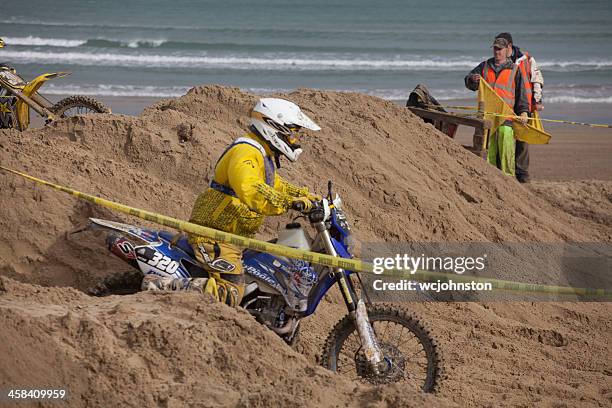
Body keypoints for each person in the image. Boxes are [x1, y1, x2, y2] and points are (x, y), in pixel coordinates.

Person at [141, 98, 321, 307]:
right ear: (273, 126)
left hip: (234, 237)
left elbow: (276, 185)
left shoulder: (262, 154)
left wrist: (310, 197)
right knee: (231, 292)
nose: (294, 139)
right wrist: (291, 203)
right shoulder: (246, 151)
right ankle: (159, 286)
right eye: (291, 133)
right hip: (214, 236)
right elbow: (251, 188)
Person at [465, 36, 530, 177]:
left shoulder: (514, 69)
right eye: (495, 48)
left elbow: (522, 95)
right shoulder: (484, 66)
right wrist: (472, 79)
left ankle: (508, 178)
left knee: (505, 140)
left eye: (500, 49)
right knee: (489, 151)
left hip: (506, 117)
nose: (497, 52)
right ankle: (491, 178)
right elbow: (469, 81)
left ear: (507, 50)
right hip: (487, 117)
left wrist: (524, 112)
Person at [495, 32, 544, 183]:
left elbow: (537, 80)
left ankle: (522, 173)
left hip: (524, 103)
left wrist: (536, 101)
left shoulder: (526, 59)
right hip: (507, 103)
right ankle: (503, 169)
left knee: (522, 138)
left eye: (502, 46)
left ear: (509, 46)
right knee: (504, 135)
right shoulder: (502, 61)